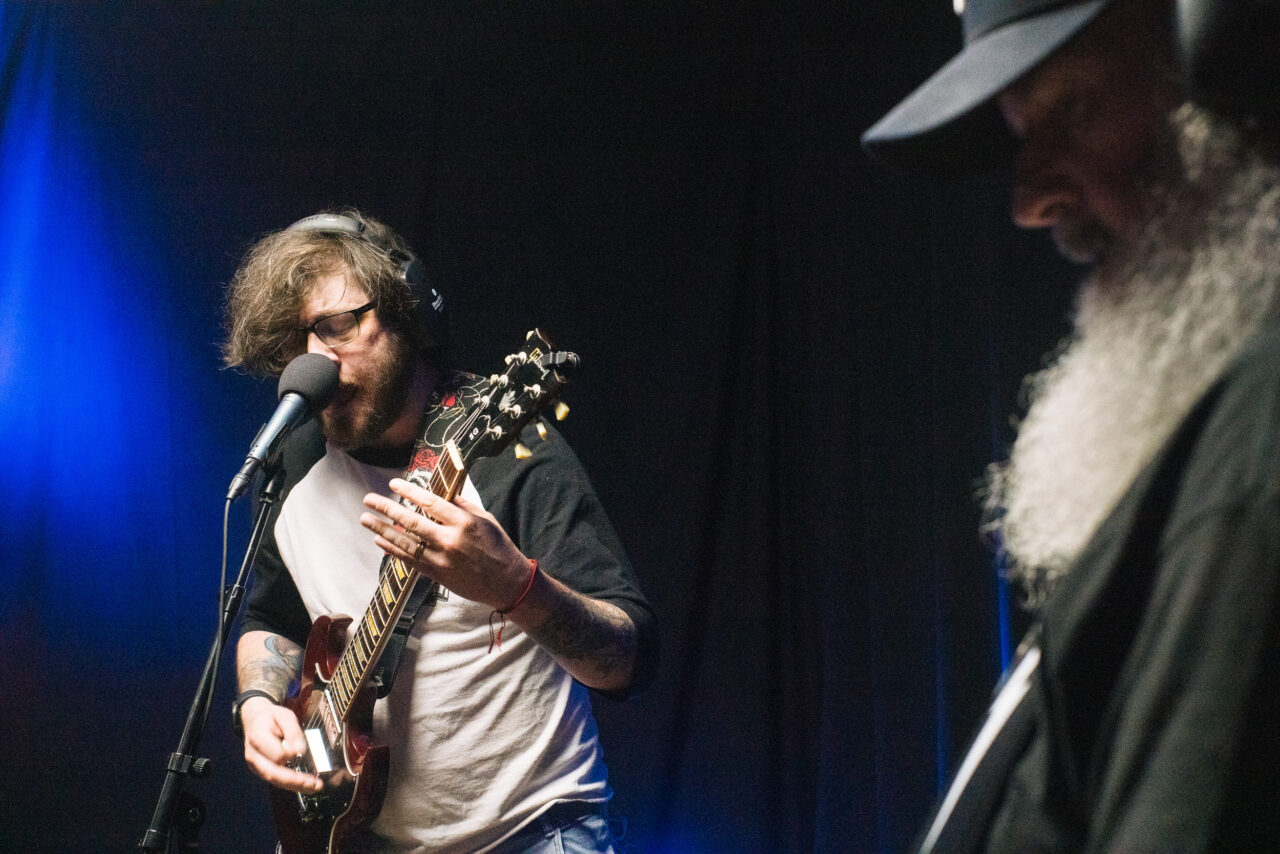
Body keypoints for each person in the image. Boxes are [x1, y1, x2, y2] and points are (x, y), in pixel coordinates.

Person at [863, 0, 1280, 850]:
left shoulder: (1258, 448)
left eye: (1075, 108)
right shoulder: (1203, 468)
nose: (1029, 200)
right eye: (1024, 133)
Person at [221, 209, 658, 853]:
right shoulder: (294, 461)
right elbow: (271, 619)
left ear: (407, 317)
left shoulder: (507, 450)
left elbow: (629, 661)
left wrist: (515, 586)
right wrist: (258, 703)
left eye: (338, 325)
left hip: (536, 832)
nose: (316, 358)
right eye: (296, 339)